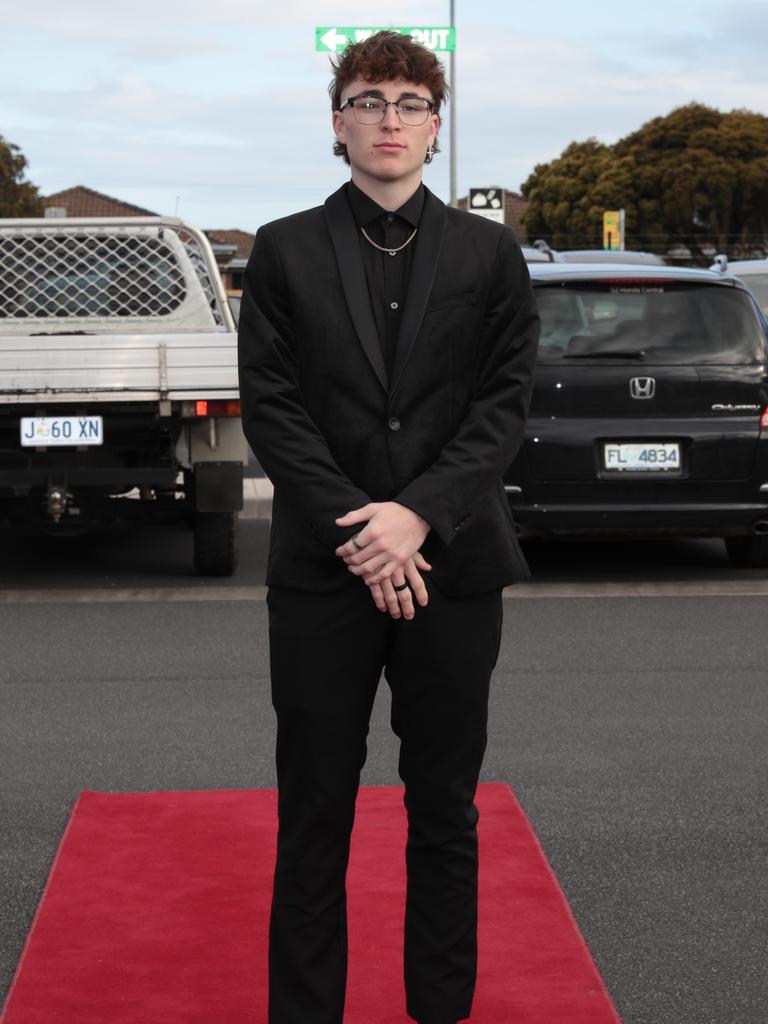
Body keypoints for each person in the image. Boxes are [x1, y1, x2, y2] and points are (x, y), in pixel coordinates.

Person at [238, 30, 540, 1024]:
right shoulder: (282, 248)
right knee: (315, 811)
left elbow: (500, 407)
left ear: (435, 125)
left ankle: (440, 1010)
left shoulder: (492, 254)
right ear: (339, 123)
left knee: (444, 812)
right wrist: (362, 535)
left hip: (454, 564)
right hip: (323, 576)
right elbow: (274, 408)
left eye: (410, 103)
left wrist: (416, 517)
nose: (390, 119)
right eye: (370, 100)